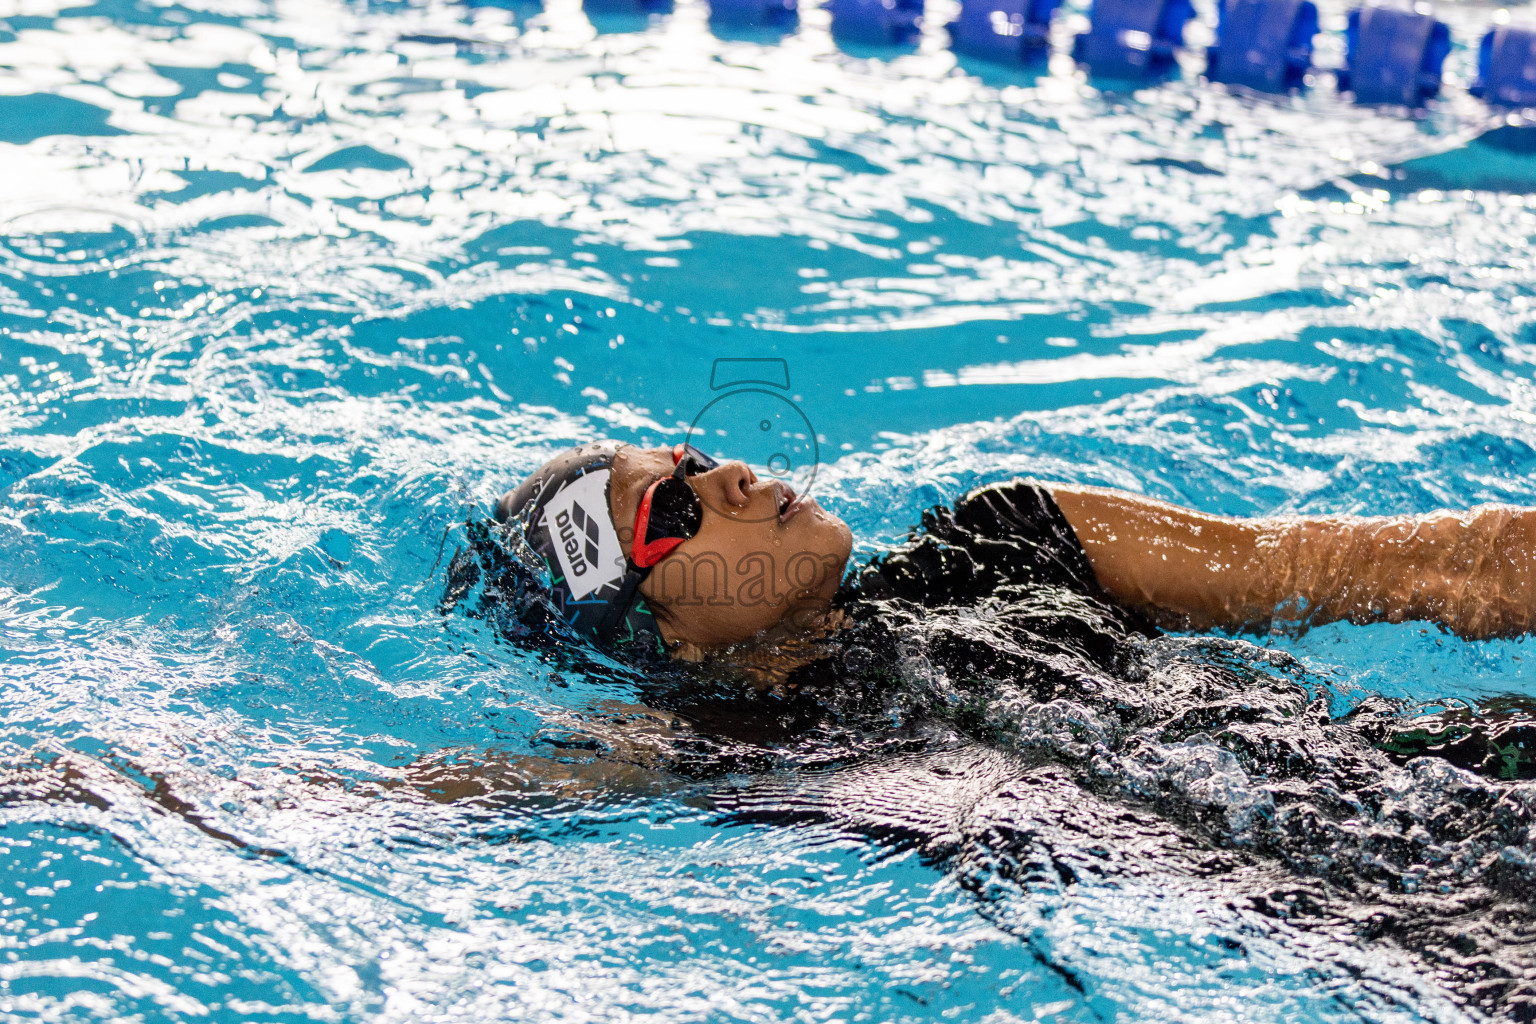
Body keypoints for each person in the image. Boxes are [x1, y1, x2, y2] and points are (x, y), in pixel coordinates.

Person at [439, 439, 1536, 1016]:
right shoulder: (727, 742)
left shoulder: (1013, 535)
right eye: (671, 513)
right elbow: (449, 795)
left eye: (685, 459)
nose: (727, 473)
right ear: (663, 639)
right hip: (1369, 895)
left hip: (1422, 764)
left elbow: (1373, 567)